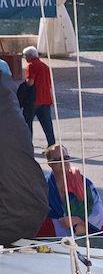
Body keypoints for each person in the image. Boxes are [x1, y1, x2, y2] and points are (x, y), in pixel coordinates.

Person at [0, 61, 49, 245]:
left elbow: (29, 83)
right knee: (47, 131)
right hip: (31, 212)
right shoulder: (8, 103)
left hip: (7, 218)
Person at [41, 144, 103, 237]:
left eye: (66, 158)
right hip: (53, 237)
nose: (64, 162)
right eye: (59, 159)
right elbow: (36, 213)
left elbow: (98, 210)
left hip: (83, 232)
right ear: (50, 163)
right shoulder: (43, 185)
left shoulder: (85, 183)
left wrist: (82, 222)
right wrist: (58, 223)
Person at [22, 46, 56, 147]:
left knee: (27, 122)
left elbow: (30, 82)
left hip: (34, 99)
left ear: (29, 56)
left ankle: (28, 145)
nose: (25, 58)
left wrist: (24, 85)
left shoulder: (31, 65)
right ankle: (52, 145)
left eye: (25, 56)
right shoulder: (45, 66)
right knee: (47, 124)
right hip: (46, 99)